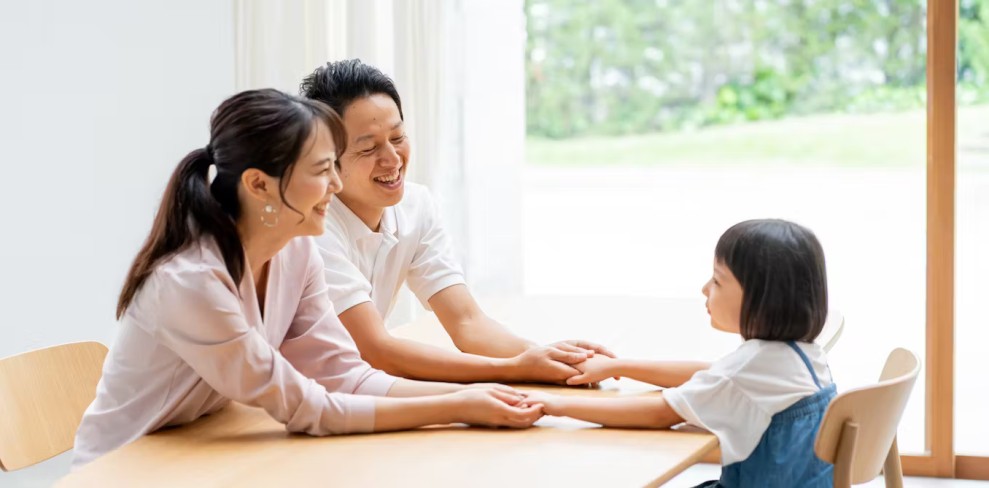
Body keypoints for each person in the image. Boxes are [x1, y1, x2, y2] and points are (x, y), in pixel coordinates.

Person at [72, 89, 542, 468]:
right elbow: (309, 408)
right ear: (258, 185)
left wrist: (476, 396)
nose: (335, 185)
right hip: (124, 468)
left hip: (198, 449)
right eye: (322, 170)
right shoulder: (190, 282)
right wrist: (458, 406)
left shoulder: (296, 253)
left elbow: (345, 376)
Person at [300, 59, 613, 384]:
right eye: (368, 148)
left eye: (398, 137)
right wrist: (517, 369)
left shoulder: (416, 205)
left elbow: (467, 323)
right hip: (297, 400)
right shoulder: (312, 228)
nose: (392, 159)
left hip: (352, 388)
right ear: (327, 161)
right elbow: (375, 350)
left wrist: (547, 358)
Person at [524, 219, 836, 487]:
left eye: (717, 280)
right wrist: (619, 366)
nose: (705, 289)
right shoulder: (801, 354)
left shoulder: (753, 366)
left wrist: (556, 405)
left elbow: (660, 413)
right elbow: (712, 373)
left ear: (762, 299)